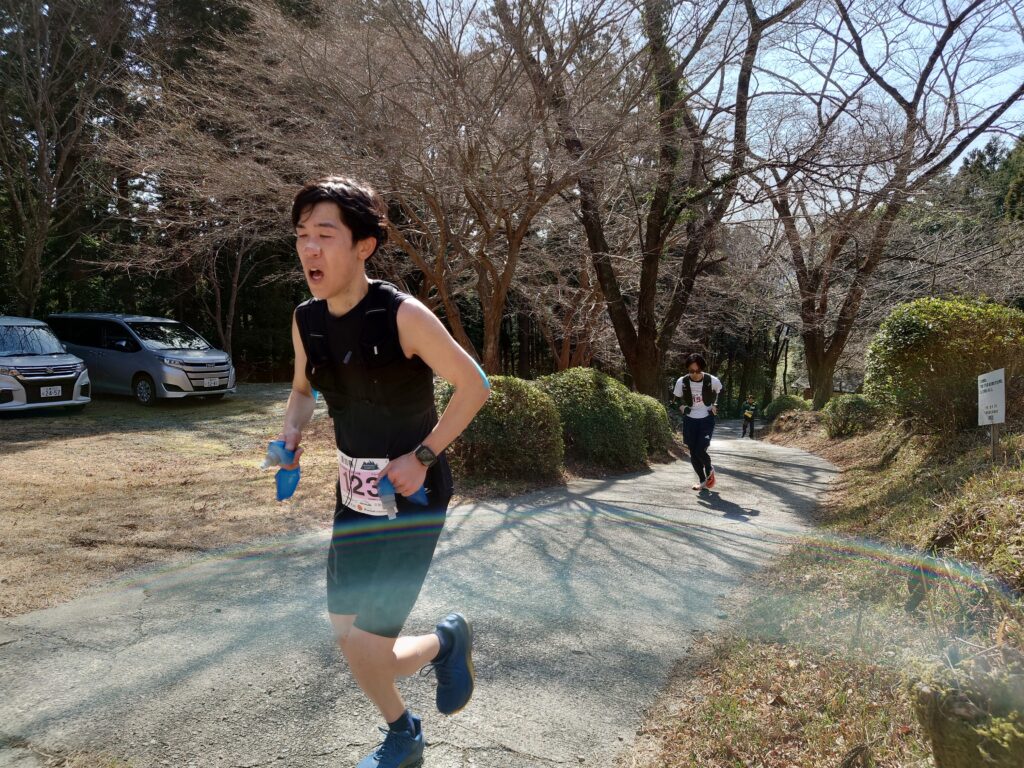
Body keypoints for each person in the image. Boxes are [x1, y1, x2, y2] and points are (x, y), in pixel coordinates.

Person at [276, 176, 490, 768]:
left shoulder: (403, 316)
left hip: (412, 498)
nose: (309, 248)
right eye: (302, 235)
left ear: (364, 245)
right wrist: (292, 433)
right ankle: (438, 657)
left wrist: (423, 457)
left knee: (368, 646)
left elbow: (474, 386)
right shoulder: (306, 320)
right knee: (349, 637)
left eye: (325, 235)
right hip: (354, 495)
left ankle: (408, 727)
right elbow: (302, 391)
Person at [671, 353, 723, 491]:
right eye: (691, 371)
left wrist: (716, 405)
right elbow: (675, 401)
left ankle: (710, 469)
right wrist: (682, 407)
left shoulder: (711, 380)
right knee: (693, 452)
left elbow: (721, 392)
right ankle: (702, 481)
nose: (694, 374)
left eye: (698, 371)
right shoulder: (682, 382)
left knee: (700, 449)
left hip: (706, 419)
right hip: (690, 420)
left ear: (702, 369)